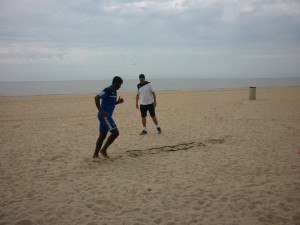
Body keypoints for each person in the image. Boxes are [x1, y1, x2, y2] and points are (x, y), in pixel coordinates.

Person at [93, 76, 124, 159]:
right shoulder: (108, 90)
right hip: (104, 115)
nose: (120, 87)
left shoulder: (114, 92)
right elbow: (96, 98)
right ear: (116, 83)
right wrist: (100, 111)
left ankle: (95, 155)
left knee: (102, 136)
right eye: (120, 85)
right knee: (115, 133)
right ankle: (103, 150)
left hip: (106, 116)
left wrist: (118, 102)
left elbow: (111, 103)